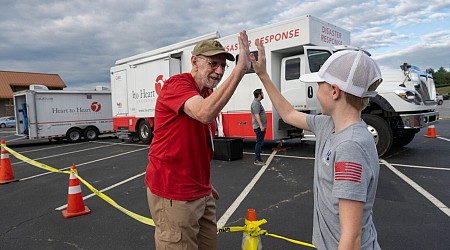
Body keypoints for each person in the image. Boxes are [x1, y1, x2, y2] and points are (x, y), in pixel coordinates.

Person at [251, 40, 382, 250]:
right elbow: (289, 114)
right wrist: (263, 76)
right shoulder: (327, 125)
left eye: (319, 85)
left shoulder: (350, 146)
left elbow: (352, 238)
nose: (315, 91)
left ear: (334, 92)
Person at [145, 31, 252, 250]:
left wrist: (205, 184)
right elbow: (204, 113)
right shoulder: (177, 85)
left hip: (200, 192)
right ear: (194, 61)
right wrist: (240, 70)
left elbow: (199, 145)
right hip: (175, 194)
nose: (219, 71)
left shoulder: (205, 94)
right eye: (213, 63)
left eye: (224, 66)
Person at [251, 88, 267, 166]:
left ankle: (259, 159)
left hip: (260, 126)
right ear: (259, 94)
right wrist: (261, 126)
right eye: (262, 93)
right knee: (259, 143)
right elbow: (257, 115)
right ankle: (257, 159)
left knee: (260, 142)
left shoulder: (258, 103)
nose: (263, 94)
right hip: (259, 127)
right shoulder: (255, 103)